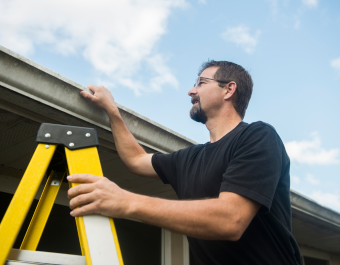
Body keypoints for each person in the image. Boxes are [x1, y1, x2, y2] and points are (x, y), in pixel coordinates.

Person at [67, 60, 301, 265]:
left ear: (229, 89)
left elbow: (231, 218)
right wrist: (112, 111)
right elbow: (136, 160)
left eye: (201, 83)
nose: (191, 91)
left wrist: (125, 202)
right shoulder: (189, 158)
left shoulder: (258, 136)